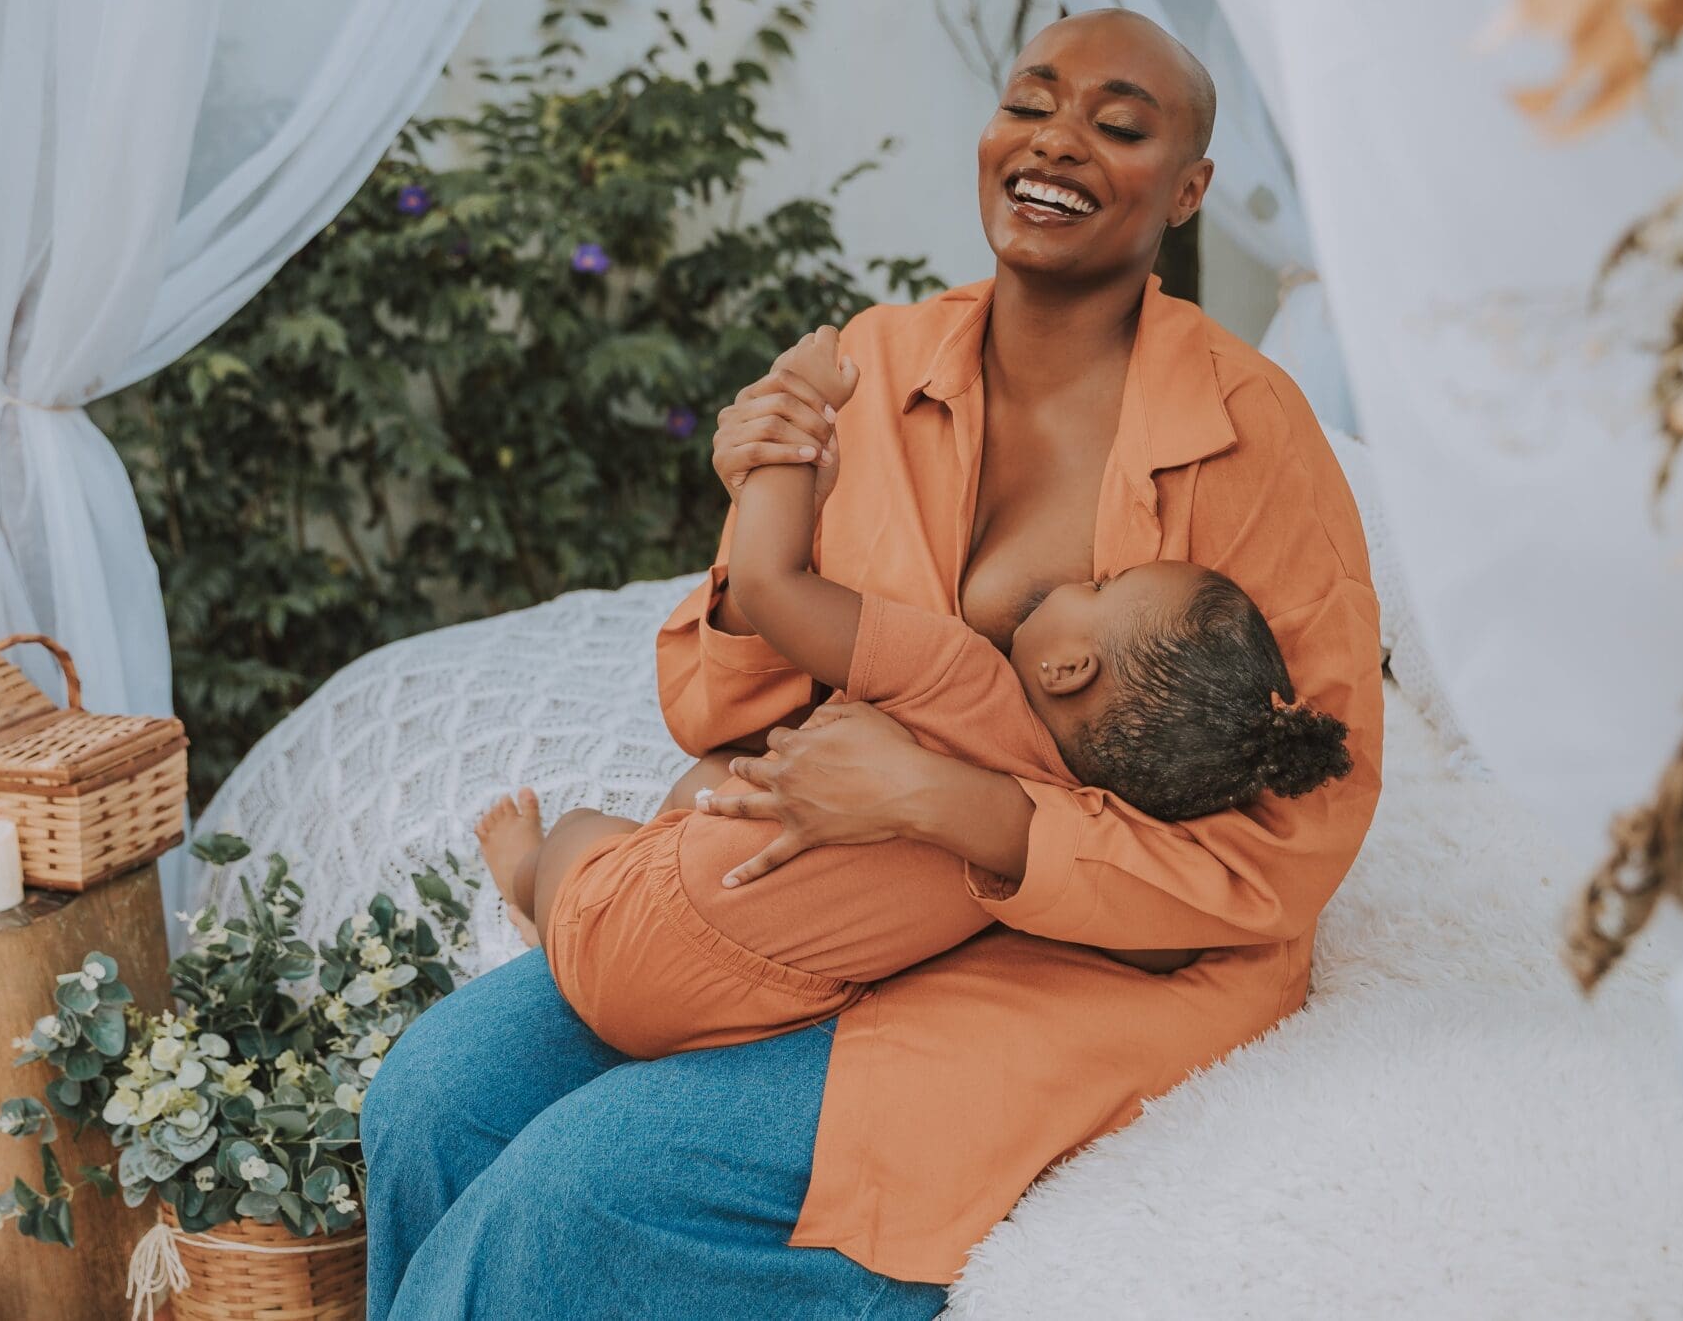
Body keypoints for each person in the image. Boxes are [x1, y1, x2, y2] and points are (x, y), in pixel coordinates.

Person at [363, 9, 1383, 1320]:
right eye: (1032, 100)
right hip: (825, 898)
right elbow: (720, 702)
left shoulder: (1253, 435)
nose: (1058, 140)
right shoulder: (875, 360)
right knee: (432, 1092)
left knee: (579, 1189)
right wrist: (757, 494)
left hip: (1078, 964)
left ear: (1188, 189)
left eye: (1121, 124)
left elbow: (1292, 842)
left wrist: (937, 802)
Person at [472, 324, 1355, 1057]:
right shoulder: (1056, 833)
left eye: (1097, 588)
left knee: (587, 835)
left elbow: (773, 585)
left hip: (630, 922)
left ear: (1066, 668)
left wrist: (794, 426)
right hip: (759, 1001)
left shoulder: (963, 673)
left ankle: (527, 876)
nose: (1080, 577)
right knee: (712, 782)